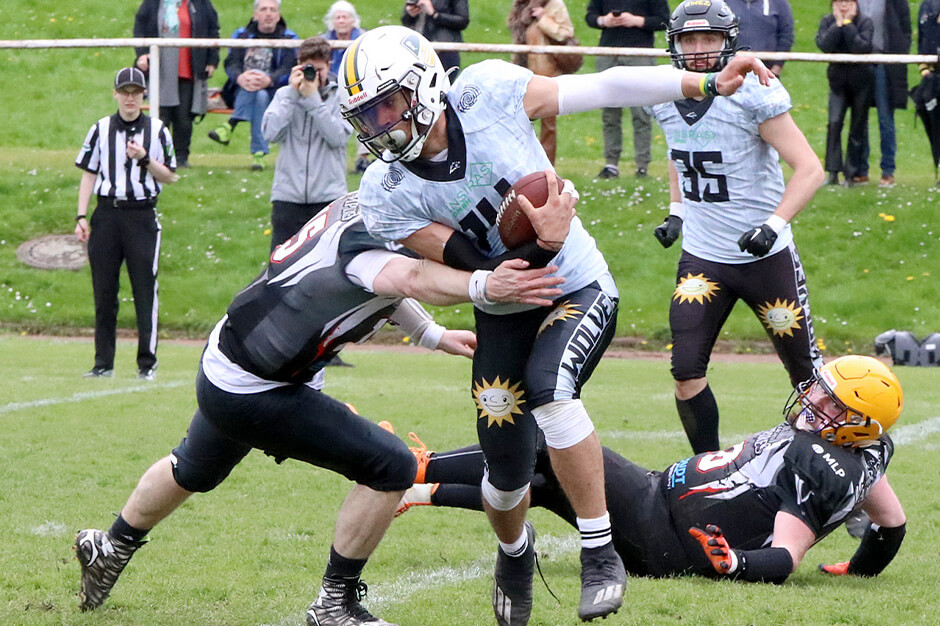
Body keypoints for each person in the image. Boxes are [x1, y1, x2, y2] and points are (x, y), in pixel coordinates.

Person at [338, 24, 773, 624]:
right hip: (504, 302)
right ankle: (515, 552)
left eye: (387, 104)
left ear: (426, 83)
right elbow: (475, 266)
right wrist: (537, 242)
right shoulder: (385, 190)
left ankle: (600, 552)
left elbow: (606, 86)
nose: (380, 124)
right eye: (366, 115)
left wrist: (704, 82)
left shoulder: (487, 93)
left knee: (551, 389)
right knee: (505, 474)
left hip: (575, 285)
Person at [74, 191, 568, 626]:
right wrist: (486, 285)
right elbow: (407, 276)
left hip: (229, 359)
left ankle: (109, 546)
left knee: (193, 468)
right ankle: (335, 604)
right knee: (392, 466)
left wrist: (431, 335)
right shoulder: (374, 245)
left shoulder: (365, 206)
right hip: (256, 386)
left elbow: (390, 282)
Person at [394, 355, 907, 585]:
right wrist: (859, 569)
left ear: (857, 426)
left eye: (832, 404)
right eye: (820, 390)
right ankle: (422, 490)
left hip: (662, 530)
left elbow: (787, 555)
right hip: (658, 498)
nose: (814, 401)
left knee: (555, 445)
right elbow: (892, 522)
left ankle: (414, 466)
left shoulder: (822, 464)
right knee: (548, 485)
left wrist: (737, 564)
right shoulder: (866, 450)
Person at [649, 0, 825, 455]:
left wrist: (773, 224)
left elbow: (810, 169)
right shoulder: (665, 92)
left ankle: (837, 477)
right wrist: (677, 210)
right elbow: (679, 152)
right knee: (685, 371)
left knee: (809, 380)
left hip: (765, 259)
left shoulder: (752, 92)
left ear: (728, 42)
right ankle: (707, 472)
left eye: (708, 38)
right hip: (703, 258)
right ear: (674, 45)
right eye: (690, 40)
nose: (699, 49)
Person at [74, 67, 178, 380]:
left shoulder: (158, 130)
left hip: (141, 215)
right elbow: (89, 173)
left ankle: (147, 363)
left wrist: (145, 158)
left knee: (145, 290)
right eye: (125, 92)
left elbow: (170, 176)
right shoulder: (100, 129)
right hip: (107, 214)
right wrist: (81, 215)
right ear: (115, 94)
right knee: (104, 292)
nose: (130, 98)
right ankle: (103, 363)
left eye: (135, 92)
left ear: (143, 95)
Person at [261, 36, 352, 253]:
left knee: (328, 262)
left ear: (329, 66)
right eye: (309, 69)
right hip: (287, 197)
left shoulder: (341, 96)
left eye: (319, 70)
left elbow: (338, 137)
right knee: (281, 265)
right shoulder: (284, 95)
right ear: (298, 66)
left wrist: (313, 101)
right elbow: (270, 133)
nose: (314, 76)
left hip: (329, 197)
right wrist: (293, 95)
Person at [208, 0, 298, 171]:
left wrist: (270, 79)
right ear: (255, 14)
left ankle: (230, 125)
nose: (268, 14)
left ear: (278, 15)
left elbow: (288, 67)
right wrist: (240, 77)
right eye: (263, 9)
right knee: (258, 93)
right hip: (239, 90)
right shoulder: (241, 35)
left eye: (272, 10)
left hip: (274, 91)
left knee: (261, 95)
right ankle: (259, 154)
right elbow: (231, 63)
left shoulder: (289, 38)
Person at [586, 0, 670, 179]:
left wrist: (637, 21)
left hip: (640, 53)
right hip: (609, 52)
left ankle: (642, 165)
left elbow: (664, 20)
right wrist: (604, 21)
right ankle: (611, 164)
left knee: (641, 112)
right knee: (609, 113)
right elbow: (590, 16)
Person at [133, 0, 220, 168]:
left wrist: (212, 60)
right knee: (161, 116)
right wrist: (142, 54)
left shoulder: (201, 4)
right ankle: (157, 157)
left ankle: (181, 157)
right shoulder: (152, 3)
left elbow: (212, 30)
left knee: (184, 117)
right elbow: (140, 28)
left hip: (188, 69)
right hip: (160, 70)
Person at [507, 0, 577, 164]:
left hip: (547, 72)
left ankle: (547, 166)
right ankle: (520, 163)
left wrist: (543, 18)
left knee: (548, 124)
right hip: (523, 72)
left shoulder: (555, 5)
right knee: (517, 119)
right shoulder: (522, 5)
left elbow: (566, 33)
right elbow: (519, 40)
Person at [816, 0, 874, 187]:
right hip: (837, 83)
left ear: (855, 4)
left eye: (847, 2)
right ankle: (832, 172)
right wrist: (838, 25)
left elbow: (861, 47)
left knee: (857, 127)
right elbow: (824, 45)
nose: (843, 6)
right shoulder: (827, 21)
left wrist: (848, 25)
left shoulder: (865, 22)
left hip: (861, 82)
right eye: (839, 2)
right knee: (834, 124)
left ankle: (851, 173)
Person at [858, 0, 910, 188]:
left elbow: (905, 29)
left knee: (885, 118)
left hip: (885, 65)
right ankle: (860, 170)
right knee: (859, 118)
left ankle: (888, 170)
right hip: (859, 64)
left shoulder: (896, 3)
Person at [322, 0, 371, 174]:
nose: (341, 21)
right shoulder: (323, 41)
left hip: (357, 85)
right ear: (332, 21)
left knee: (364, 110)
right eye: (338, 18)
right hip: (331, 87)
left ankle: (363, 157)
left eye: (345, 17)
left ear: (353, 20)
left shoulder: (364, 39)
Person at [724, 0, 793, 77]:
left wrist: (775, 70)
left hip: (767, 71)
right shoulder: (723, 3)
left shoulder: (779, 3)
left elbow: (786, 34)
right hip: (729, 70)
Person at [401, 0, 469, 76]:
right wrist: (410, 14)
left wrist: (435, 14)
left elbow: (462, 21)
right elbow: (405, 21)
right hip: (417, 49)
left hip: (444, 49)